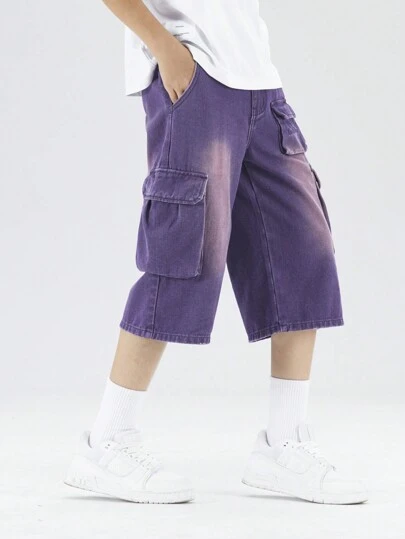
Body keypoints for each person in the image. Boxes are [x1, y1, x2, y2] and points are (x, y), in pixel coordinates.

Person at [65, 0, 368, 505]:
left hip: (258, 80)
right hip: (193, 76)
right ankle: (107, 440)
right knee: (183, 256)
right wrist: (164, 48)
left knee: (303, 250)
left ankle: (284, 442)